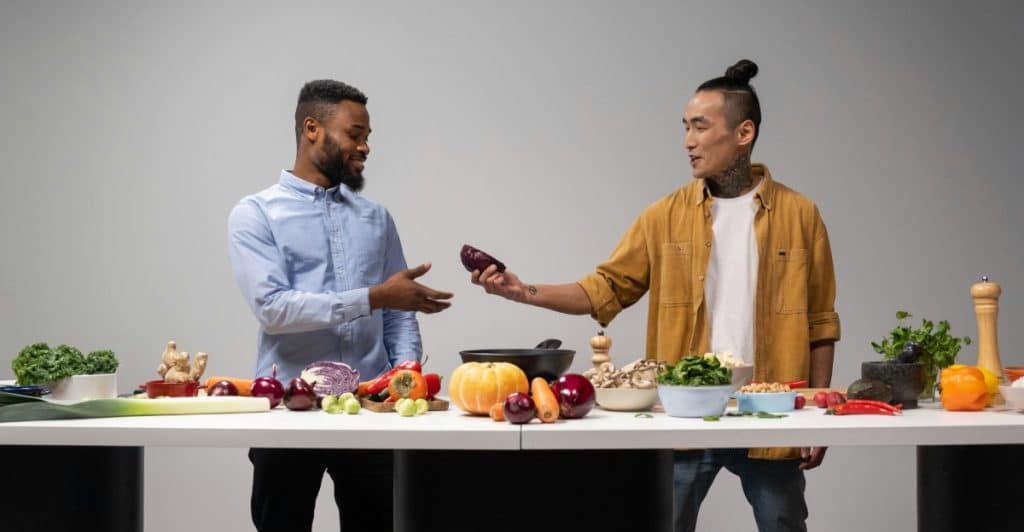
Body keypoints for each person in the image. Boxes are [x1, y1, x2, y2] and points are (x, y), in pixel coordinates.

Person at [470, 60, 839, 532]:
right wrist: (524, 292)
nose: (688, 140)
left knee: (784, 524)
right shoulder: (664, 216)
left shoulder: (800, 215)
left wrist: (817, 410)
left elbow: (820, 322)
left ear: (744, 132)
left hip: (768, 410)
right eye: (685, 127)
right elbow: (604, 289)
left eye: (701, 127)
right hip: (682, 410)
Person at [228, 79, 453, 532]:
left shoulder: (376, 217)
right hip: (289, 415)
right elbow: (274, 309)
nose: (365, 146)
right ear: (312, 129)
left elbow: (399, 311)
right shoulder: (255, 214)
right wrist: (373, 297)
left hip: (372, 415)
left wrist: (405, 378)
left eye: (368, 136)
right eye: (355, 133)